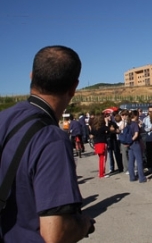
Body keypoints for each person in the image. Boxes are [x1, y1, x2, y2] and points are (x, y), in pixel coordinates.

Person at [0, 45, 95, 242]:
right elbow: (55, 234)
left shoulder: (4, 118)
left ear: (31, 75)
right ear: (74, 88)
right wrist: (84, 224)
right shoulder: (52, 139)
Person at [128, 110, 147, 183]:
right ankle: (141, 178)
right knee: (139, 161)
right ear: (136, 116)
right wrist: (132, 140)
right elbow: (136, 134)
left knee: (131, 161)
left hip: (130, 144)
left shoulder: (128, 124)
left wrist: (129, 141)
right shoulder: (135, 124)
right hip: (135, 143)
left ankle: (132, 177)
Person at [90, 114, 110, 178]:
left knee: (101, 158)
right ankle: (102, 173)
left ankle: (101, 172)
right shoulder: (102, 127)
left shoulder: (93, 128)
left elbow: (91, 134)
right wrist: (107, 122)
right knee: (103, 159)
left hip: (96, 143)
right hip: (102, 143)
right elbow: (108, 130)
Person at [142, 105, 152, 173]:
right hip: (149, 139)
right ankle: (150, 167)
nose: (151, 113)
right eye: (150, 111)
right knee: (149, 154)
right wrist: (150, 129)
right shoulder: (145, 119)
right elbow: (144, 129)